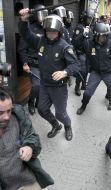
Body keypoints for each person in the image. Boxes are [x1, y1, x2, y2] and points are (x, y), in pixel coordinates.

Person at [19, 8, 79, 141]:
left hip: (59, 87)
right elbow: (26, 34)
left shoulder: (64, 47)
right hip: (44, 84)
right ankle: (56, 125)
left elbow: (75, 65)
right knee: (42, 109)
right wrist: (23, 20)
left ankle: (67, 125)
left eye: (54, 31)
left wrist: (65, 72)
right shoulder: (40, 41)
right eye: (48, 30)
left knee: (61, 114)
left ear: (59, 31)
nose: (51, 33)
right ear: (45, 30)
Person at [0, 87, 54, 190]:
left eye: (8, 111)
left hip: (29, 181)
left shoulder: (19, 116)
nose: (7, 117)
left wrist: (30, 146)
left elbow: (33, 137)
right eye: (0, 113)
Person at [76, 22, 111, 119]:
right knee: (88, 92)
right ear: (96, 35)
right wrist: (82, 35)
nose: (104, 38)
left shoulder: (110, 44)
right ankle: (83, 106)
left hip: (108, 73)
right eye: (102, 36)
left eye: (106, 35)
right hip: (95, 73)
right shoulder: (89, 43)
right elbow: (75, 44)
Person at [18, 4, 47, 115]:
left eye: (45, 14)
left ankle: (39, 101)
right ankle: (31, 101)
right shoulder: (30, 29)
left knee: (44, 85)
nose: (43, 17)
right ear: (35, 16)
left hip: (46, 64)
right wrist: (25, 63)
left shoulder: (47, 28)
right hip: (33, 64)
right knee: (37, 85)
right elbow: (21, 49)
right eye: (41, 14)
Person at [72, 9, 95, 96]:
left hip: (88, 53)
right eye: (89, 19)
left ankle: (83, 83)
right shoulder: (79, 27)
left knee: (87, 70)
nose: (90, 21)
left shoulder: (91, 28)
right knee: (82, 71)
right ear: (84, 18)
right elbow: (74, 43)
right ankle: (77, 86)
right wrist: (83, 34)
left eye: (92, 19)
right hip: (81, 53)